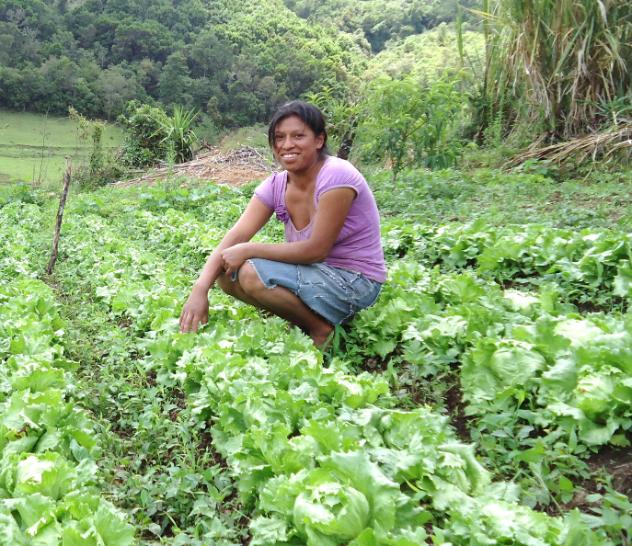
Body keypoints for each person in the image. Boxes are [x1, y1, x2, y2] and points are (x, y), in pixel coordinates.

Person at [179, 101, 386, 346]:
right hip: (316, 273)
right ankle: (303, 315)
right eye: (280, 137)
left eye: (298, 136)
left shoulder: (336, 175)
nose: (287, 145)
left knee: (249, 272)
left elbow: (316, 250)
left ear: (319, 140)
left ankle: (320, 330)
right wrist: (200, 289)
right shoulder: (276, 184)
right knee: (226, 273)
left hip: (355, 281)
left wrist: (249, 249)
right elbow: (234, 237)